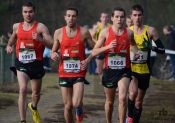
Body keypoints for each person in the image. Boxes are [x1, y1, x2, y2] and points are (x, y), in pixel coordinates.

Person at [6, 1, 53, 123]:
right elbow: (12, 39)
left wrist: (40, 39)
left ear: (34, 12)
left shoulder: (41, 27)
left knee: (36, 93)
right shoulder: (16, 26)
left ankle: (33, 106)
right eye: (25, 12)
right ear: (22, 13)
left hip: (36, 64)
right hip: (21, 63)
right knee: (22, 89)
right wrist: (9, 46)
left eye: (30, 12)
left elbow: (52, 44)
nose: (28, 14)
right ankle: (23, 120)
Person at [91, 7, 138, 123]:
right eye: (117, 17)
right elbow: (94, 51)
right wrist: (108, 47)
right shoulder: (105, 32)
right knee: (110, 102)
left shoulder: (130, 33)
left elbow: (134, 44)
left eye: (122, 17)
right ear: (112, 18)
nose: (119, 19)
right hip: (109, 70)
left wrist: (135, 52)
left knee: (122, 98)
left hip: (124, 70)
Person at [50, 7, 94, 123]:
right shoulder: (58, 32)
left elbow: (95, 48)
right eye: (68, 16)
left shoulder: (84, 32)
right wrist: (53, 54)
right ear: (65, 17)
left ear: (77, 18)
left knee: (76, 103)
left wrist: (89, 59)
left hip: (79, 72)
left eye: (73, 16)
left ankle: (79, 108)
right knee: (68, 106)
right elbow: (53, 51)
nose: (71, 18)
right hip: (64, 73)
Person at [126, 4, 165, 123]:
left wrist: (152, 48)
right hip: (131, 69)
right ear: (131, 17)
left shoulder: (150, 31)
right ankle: (130, 118)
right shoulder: (127, 32)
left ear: (142, 16)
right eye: (135, 15)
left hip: (145, 70)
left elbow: (162, 50)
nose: (137, 18)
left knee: (138, 102)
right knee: (132, 93)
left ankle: (134, 120)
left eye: (139, 15)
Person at [91, 12, 110, 78]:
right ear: (100, 18)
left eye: (106, 17)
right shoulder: (96, 27)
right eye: (103, 17)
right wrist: (99, 43)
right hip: (99, 50)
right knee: (99, 70)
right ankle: (103, 81)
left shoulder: (110, 27)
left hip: (107, 49)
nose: (105, 19)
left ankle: (108, 82)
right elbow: (92, 38)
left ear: (108, 18)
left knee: (107, 68)